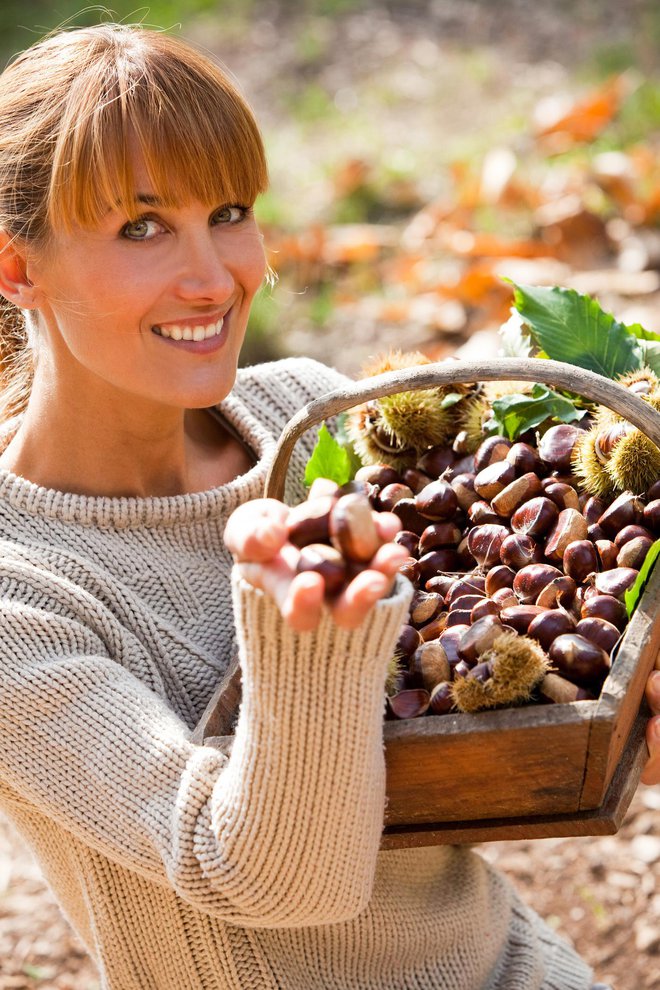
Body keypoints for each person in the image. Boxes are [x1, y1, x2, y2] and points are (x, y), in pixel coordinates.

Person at [0, 22, 656, 990]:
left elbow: (467, 702)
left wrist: (618, 697)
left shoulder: (305, 414)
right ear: (17, 270)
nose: (215, 275)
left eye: (228, 210)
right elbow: (266, 879)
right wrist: (304, 631)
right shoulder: (23, 597)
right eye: (141, 228)